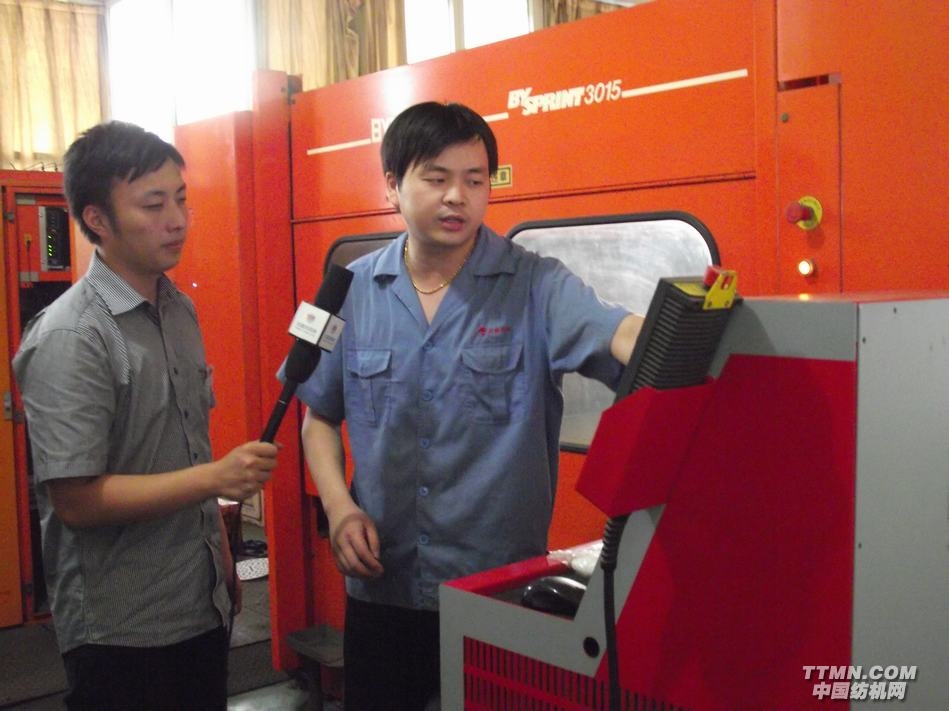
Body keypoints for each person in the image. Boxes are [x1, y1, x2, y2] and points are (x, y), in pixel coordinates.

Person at [294, 101, 643, 710]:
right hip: (383, 588)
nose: (457, 196)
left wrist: (688, 332)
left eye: (475, 181)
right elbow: (318, 415)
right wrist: (340, 508)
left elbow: (619, 333)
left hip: (498, 593)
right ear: (392, 185)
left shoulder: (536, 285)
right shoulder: (348, 292)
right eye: (437, 178)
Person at [12, 121, 279, 711]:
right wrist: (215, 479)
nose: (177, 219)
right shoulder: (72, 336)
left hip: (199, 603)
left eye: (181, 199)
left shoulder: (179, 311)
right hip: (122, 629)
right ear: (98, 219)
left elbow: (186, 443)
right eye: (154, 205)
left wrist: (222, 555)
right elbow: (77, 500)